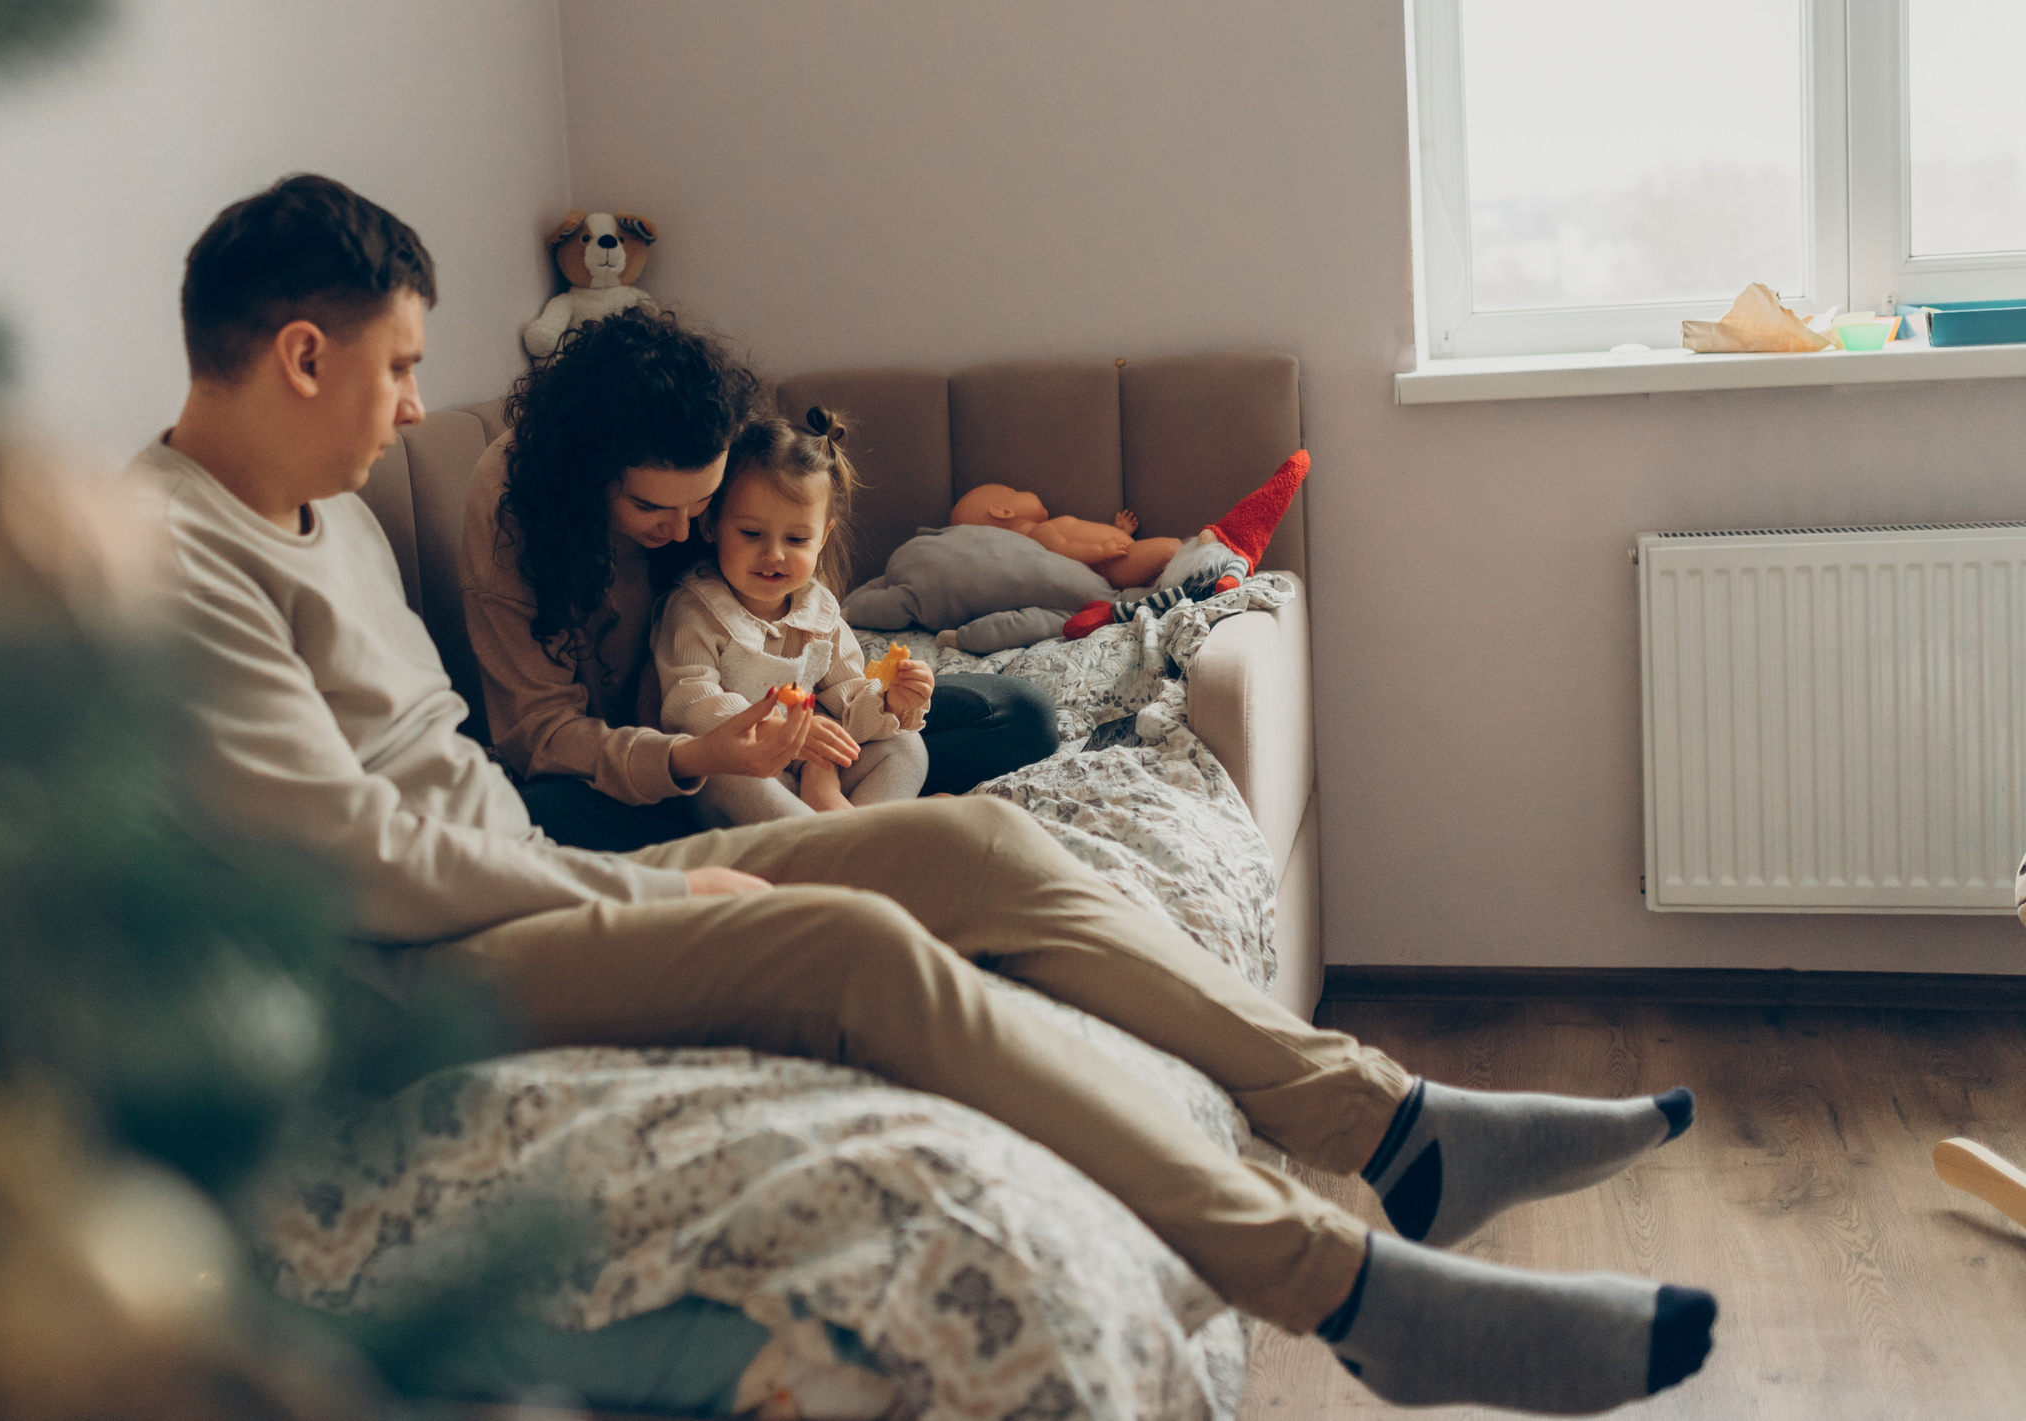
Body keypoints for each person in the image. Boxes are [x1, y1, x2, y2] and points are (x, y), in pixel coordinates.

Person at [128, 174, 1718, 1416]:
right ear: (303, 354)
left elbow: (444, 780)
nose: (417, 401)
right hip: (407, 967)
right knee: (849, 952)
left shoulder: (316, 509)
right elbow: (353, 856)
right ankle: (1343, 1289)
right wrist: (651, 883)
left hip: (511, 870)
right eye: (401, 365)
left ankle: (1386, 1120)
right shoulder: (174, 552)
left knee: (970, 837)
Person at [463, 307, 1057, 854]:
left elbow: (809, 614)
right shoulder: (513, 517)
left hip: (793, 746)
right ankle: (845, 844)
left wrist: (842, 721)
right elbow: (540, 736)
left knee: (1018, 714)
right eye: (650, 509)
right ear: (588, 480)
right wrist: (699, 753)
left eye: (702, 505)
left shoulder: (709, 435)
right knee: (538, 817)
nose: (681, 534)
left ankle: (831, 836)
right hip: (660, 757)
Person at [653, 406, 931, 820]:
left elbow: (850, 702)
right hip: (748, 768)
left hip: (813, 771)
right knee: (725, 777)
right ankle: (838, 840)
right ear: (711, 525)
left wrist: (891, 701)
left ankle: (857, 832)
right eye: (751, 534)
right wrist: (782, 733)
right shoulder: (696, 609)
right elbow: (689, 703)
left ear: (822, 540)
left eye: (797, 538)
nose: (774, 555)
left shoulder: (817, 612)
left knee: (906, 745)